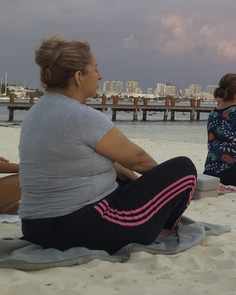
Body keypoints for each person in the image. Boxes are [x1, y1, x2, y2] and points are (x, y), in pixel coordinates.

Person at [18, 36, 198, 254]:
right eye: (95, 69)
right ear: (78, 77)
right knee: (184, 170)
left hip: (35, 228)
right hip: (81, 227)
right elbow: (138, 159)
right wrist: (165, 185)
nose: (100, 76)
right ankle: (164, 229)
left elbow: (109, 163)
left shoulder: (36, 113)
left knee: (121, 181)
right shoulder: (81, 116)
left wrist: (137, 183)